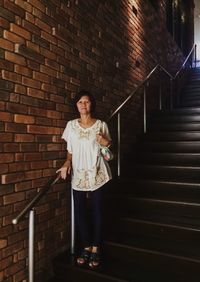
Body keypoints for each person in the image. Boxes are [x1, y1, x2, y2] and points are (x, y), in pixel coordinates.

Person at [56, 90, 112, 269]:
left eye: (86, 102)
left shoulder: (101, 125)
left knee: (97, 211)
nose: (83, 104)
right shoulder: (71, 125)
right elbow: (70, 150)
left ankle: (96, 248)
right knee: (79, 211)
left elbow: (108, 147)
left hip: (98, 173)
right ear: (76, 105)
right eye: (80, 102)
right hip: (79, 174)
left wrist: (106, 143)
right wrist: (66, 163)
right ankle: (86, 246)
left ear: (91, 104)